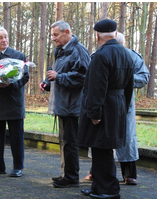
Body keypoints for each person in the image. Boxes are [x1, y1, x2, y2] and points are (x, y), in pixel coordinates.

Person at [84, 32, 150, 186]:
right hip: (103, 101)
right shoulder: (98, 55)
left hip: (123, 101)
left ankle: (129, 174)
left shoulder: (131, 56)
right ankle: (96, 171)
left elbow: (144, 76)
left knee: (126, 136)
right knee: (100, 136)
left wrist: (124, 78)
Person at [78, 19, 134, 199]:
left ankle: (108, 189)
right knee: (102, 149)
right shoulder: (126, 53)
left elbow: (96, 87)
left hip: (103, 106)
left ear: (97, 35)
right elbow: (129, 87)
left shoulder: (101, 55)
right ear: (115, 34)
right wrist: (123, 107)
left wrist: (94, 112)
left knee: (101, 150)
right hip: (116, 105)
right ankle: (98, 186)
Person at [39, 20, 90, 188]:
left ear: (67, 32)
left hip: (72, 105)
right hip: (62, 103)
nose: (53, 39)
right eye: (52, 35)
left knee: (70, 141)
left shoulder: (78, 51)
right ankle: (66, 173)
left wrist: (58, 77)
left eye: (56, 35)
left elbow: (83, 77)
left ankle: (71, 177)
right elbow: (59, 74)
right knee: (64, 141)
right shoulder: (60, 51)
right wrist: (48, 83)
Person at [0, 27, 29, 177]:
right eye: (0, 38)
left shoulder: (18, 55)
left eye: (6, 37)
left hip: (13, 102)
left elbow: (25, 77)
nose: (4, 40)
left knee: (16, 137)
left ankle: (18, 166)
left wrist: (10, 84)